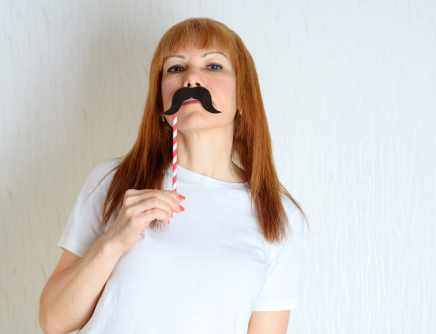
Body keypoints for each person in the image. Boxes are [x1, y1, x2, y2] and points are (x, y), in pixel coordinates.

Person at [39, 17, 310, 334]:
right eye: (176, 68)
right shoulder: (111, 182)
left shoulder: (279, 216)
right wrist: (112, 242)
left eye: (213, 66)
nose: (192, 77)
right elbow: (53, 321)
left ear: (243, 100)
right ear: (160, 102)